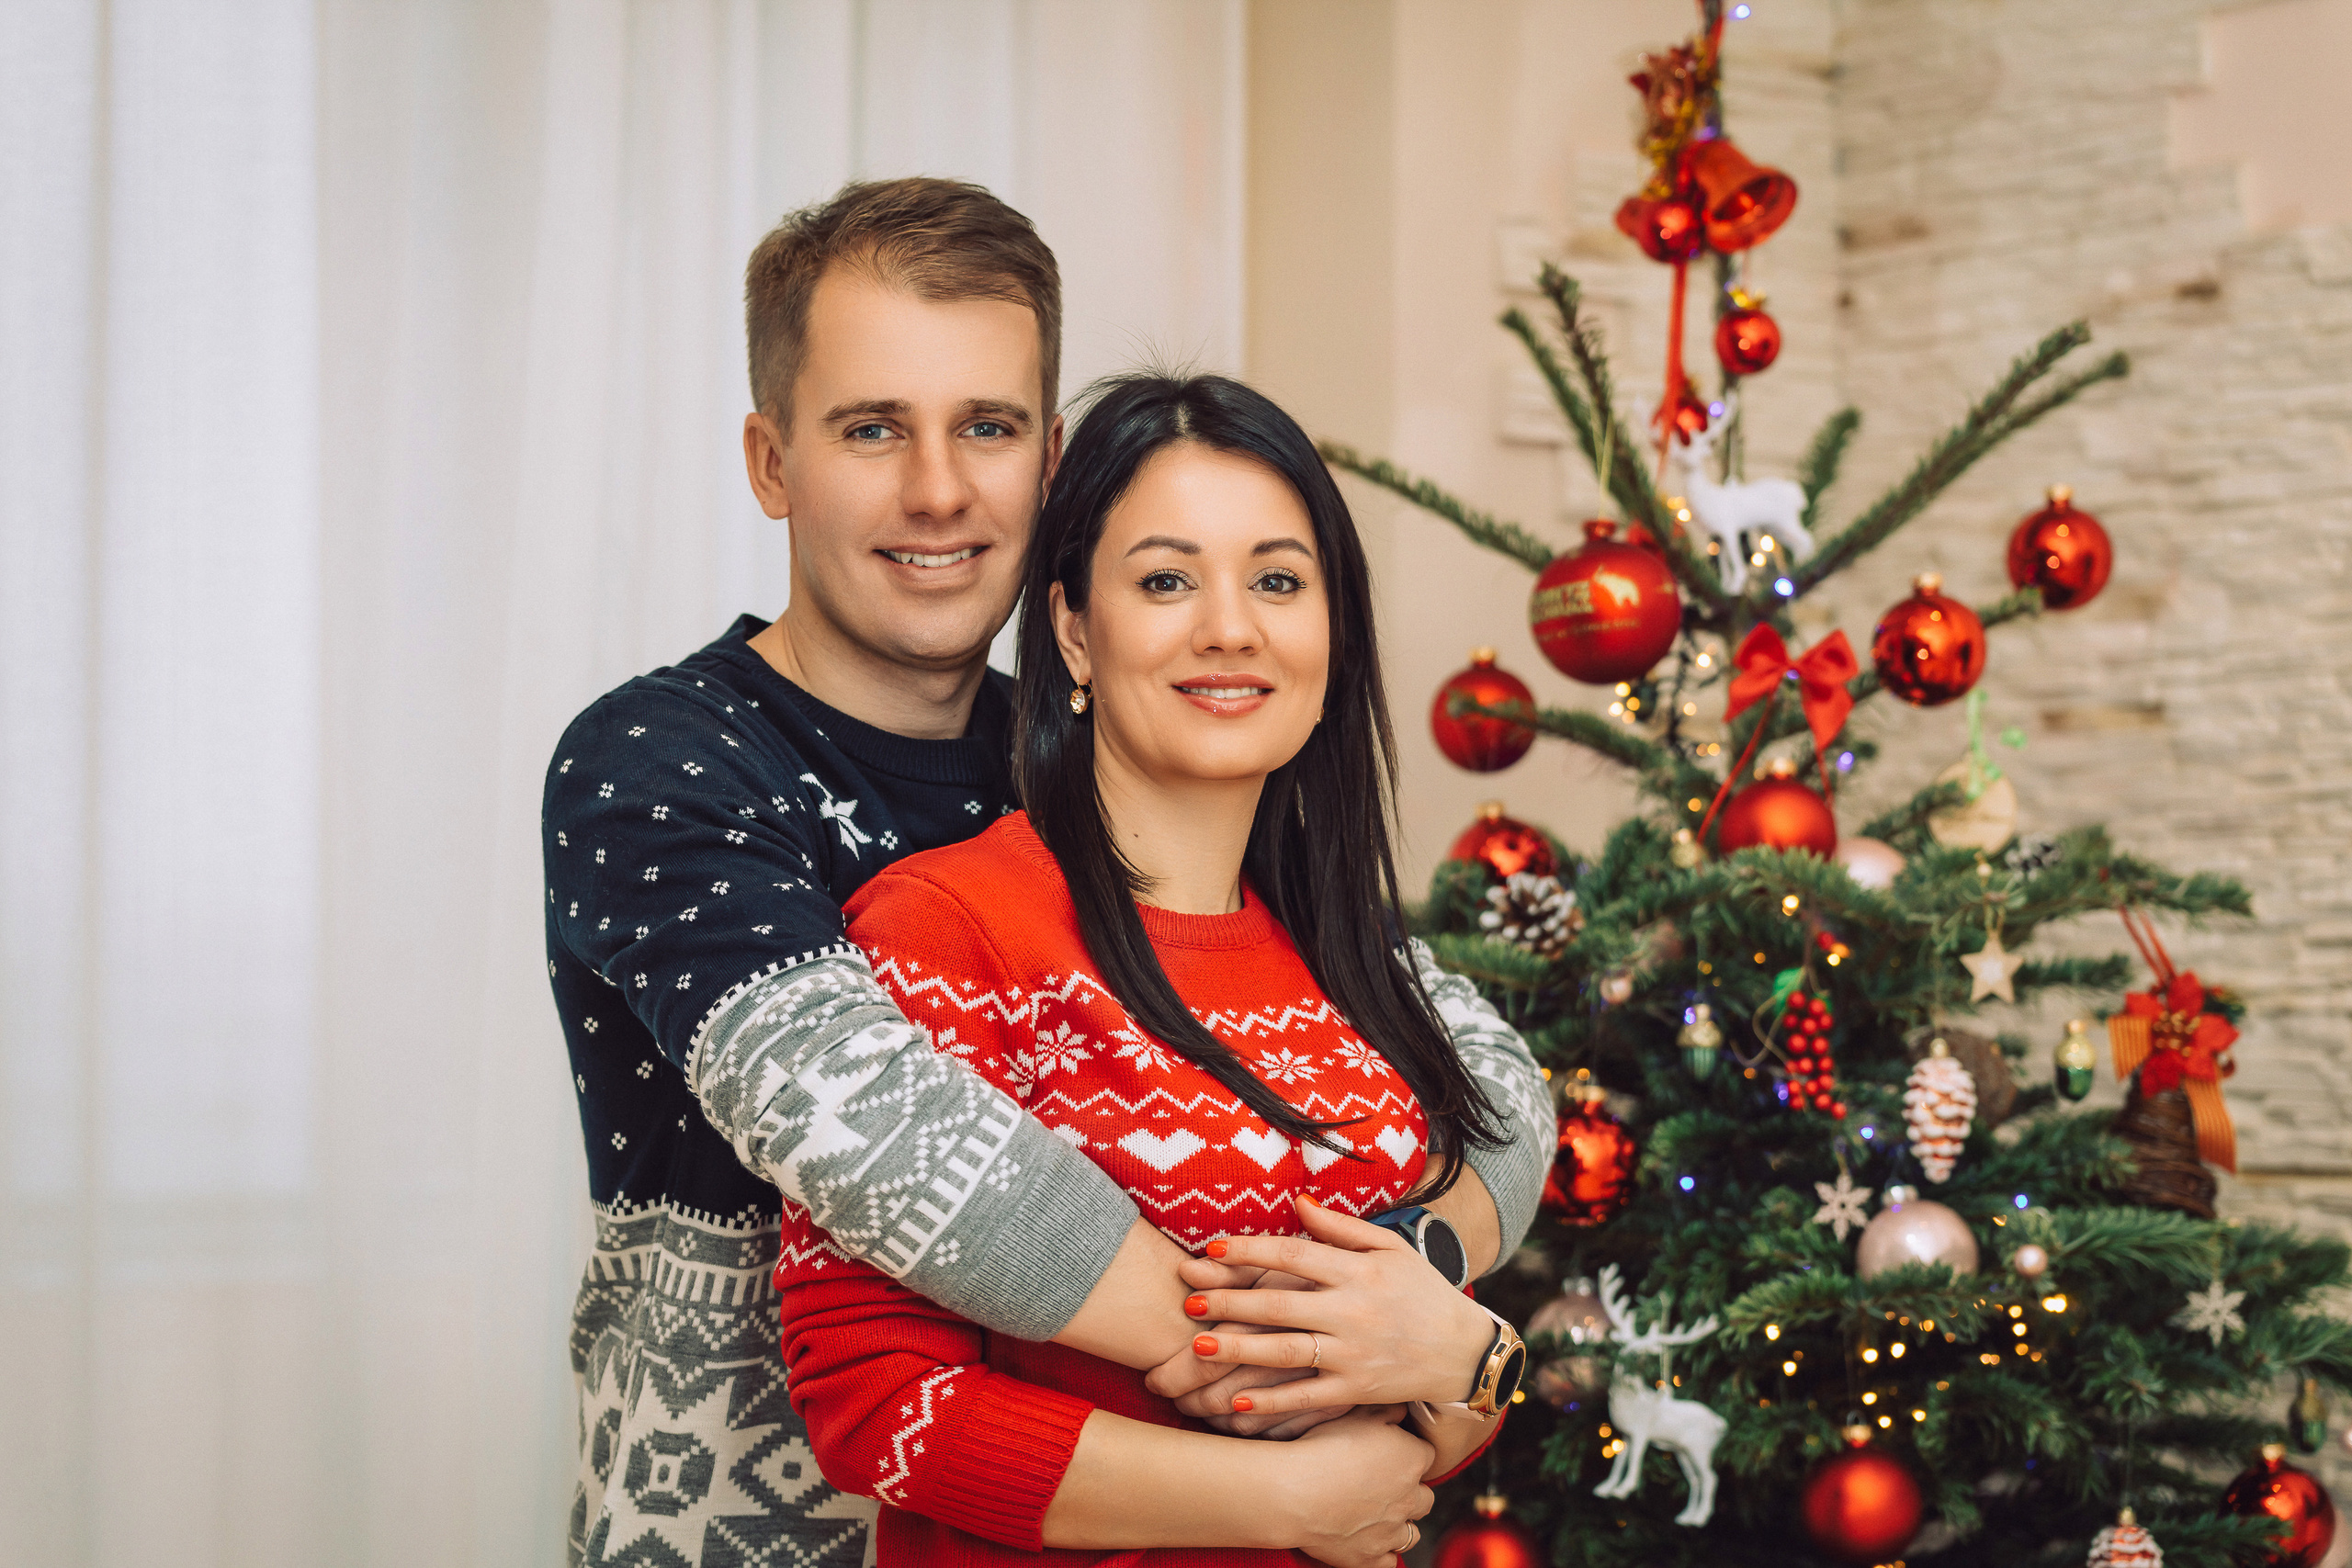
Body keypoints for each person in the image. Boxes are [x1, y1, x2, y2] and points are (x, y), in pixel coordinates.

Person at [541, 178, 1555, 1566]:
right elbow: (886, 1143)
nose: (940, 489)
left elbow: (1483, 1089)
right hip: (738, 1527)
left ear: (1052, 457)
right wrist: (1308, 1358)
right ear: (773, 463)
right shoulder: (662, 761)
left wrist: (1428, 1315)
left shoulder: (1107, 762)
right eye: (872, 429)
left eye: (990, 428)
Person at [778, 371, 1530, 1567]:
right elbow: (870, 1401)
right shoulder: (949, 927)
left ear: (1334, 631)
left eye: (1278, 581)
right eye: (1167, 579)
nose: (1230, 626)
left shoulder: (1359, 967)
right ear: (1074, 626)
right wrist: (1278, 1501)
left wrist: (1468, 1364)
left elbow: (1424, 1387)